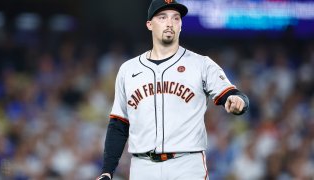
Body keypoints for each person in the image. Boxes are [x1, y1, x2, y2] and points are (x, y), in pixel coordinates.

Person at [96, 0, 249, 179]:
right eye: (162, 17)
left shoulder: (201, 64)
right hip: (143, 166)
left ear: (181, 25)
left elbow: (231, 94)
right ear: (149, 24)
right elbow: (119, 124)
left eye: (175, 18)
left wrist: (237, 101)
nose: (170, 23)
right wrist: (107, 170)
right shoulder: (128, 69)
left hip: (187, 164)